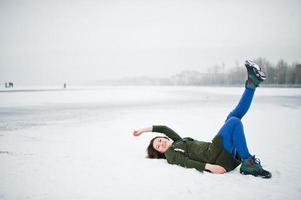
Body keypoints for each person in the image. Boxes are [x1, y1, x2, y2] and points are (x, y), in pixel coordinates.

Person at [133, 60, 272, 178]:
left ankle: (251, 84)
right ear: (160, 153)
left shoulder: (177, 141)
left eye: (159, 140)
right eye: (158, 147)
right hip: (214, 156)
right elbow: (187, 162)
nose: (161, 143)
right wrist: (210, 167)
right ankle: (248, 162)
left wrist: (142, 130)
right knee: (234, 122)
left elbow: (163, 129)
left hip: (218, 153)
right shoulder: (171, 155)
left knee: (233, 117)